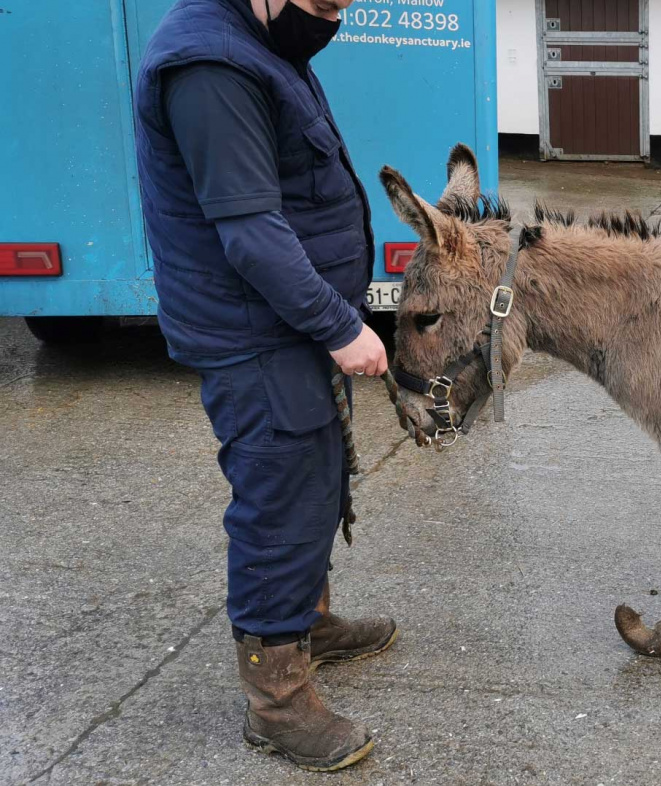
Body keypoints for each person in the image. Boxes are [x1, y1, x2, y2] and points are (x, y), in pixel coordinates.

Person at [135, 0, 394, 772]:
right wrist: (341, 327)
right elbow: (249, 230)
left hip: (288, 324)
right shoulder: (212, 66)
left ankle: (306, 623)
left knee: (315, 479)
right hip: (254, 332)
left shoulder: (263, 45)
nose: (330, 17)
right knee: (280, 497)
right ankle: (276, 705)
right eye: (320, 5)